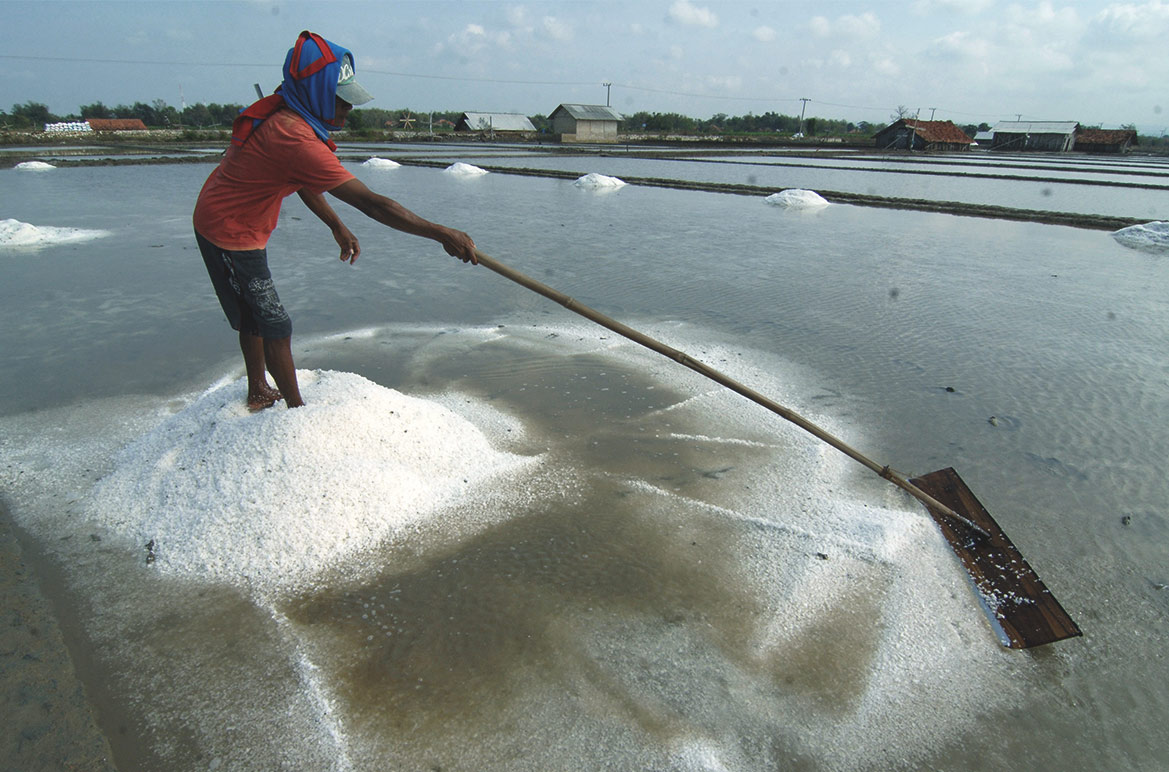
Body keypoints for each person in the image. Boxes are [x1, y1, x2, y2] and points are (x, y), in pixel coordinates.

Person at [193, 30, 477, 410]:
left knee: (255, 314)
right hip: (228, 231)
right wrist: (441, 233)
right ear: (318, 96)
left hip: (238, 221)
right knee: (274, 323)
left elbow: (301, 179)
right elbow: (373, 204)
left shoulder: (293, 117)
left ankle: (259, 389)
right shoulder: (294, 136)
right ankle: (295, 410)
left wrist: (335, 224)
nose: (349, 110)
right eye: (342, 101)